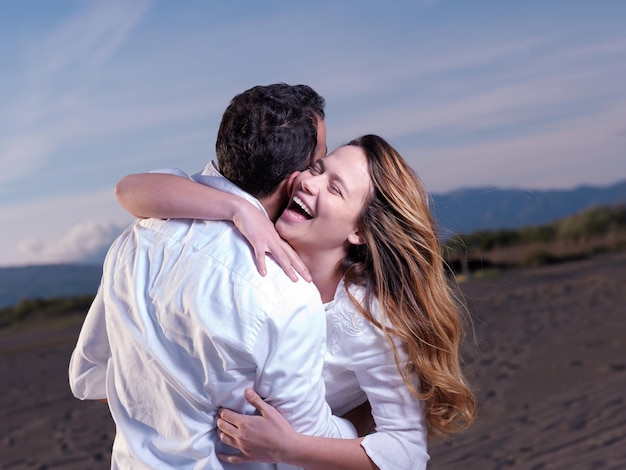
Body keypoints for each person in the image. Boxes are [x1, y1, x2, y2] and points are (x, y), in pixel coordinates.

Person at [115, 134, 477, 469]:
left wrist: (288, 448)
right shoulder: (261, 227)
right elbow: (132, 190)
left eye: (334, 189)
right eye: (317, 169)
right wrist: (238, 210)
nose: (309, 182)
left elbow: (407, 452)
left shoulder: (368, 316)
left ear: (360, 231)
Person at [68, 83, 359, 470]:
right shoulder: (284, 288)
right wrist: (366, 426)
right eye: (319, 161)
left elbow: (90, 377)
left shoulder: (140, 235)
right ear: (297, 180)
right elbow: (305, 441)